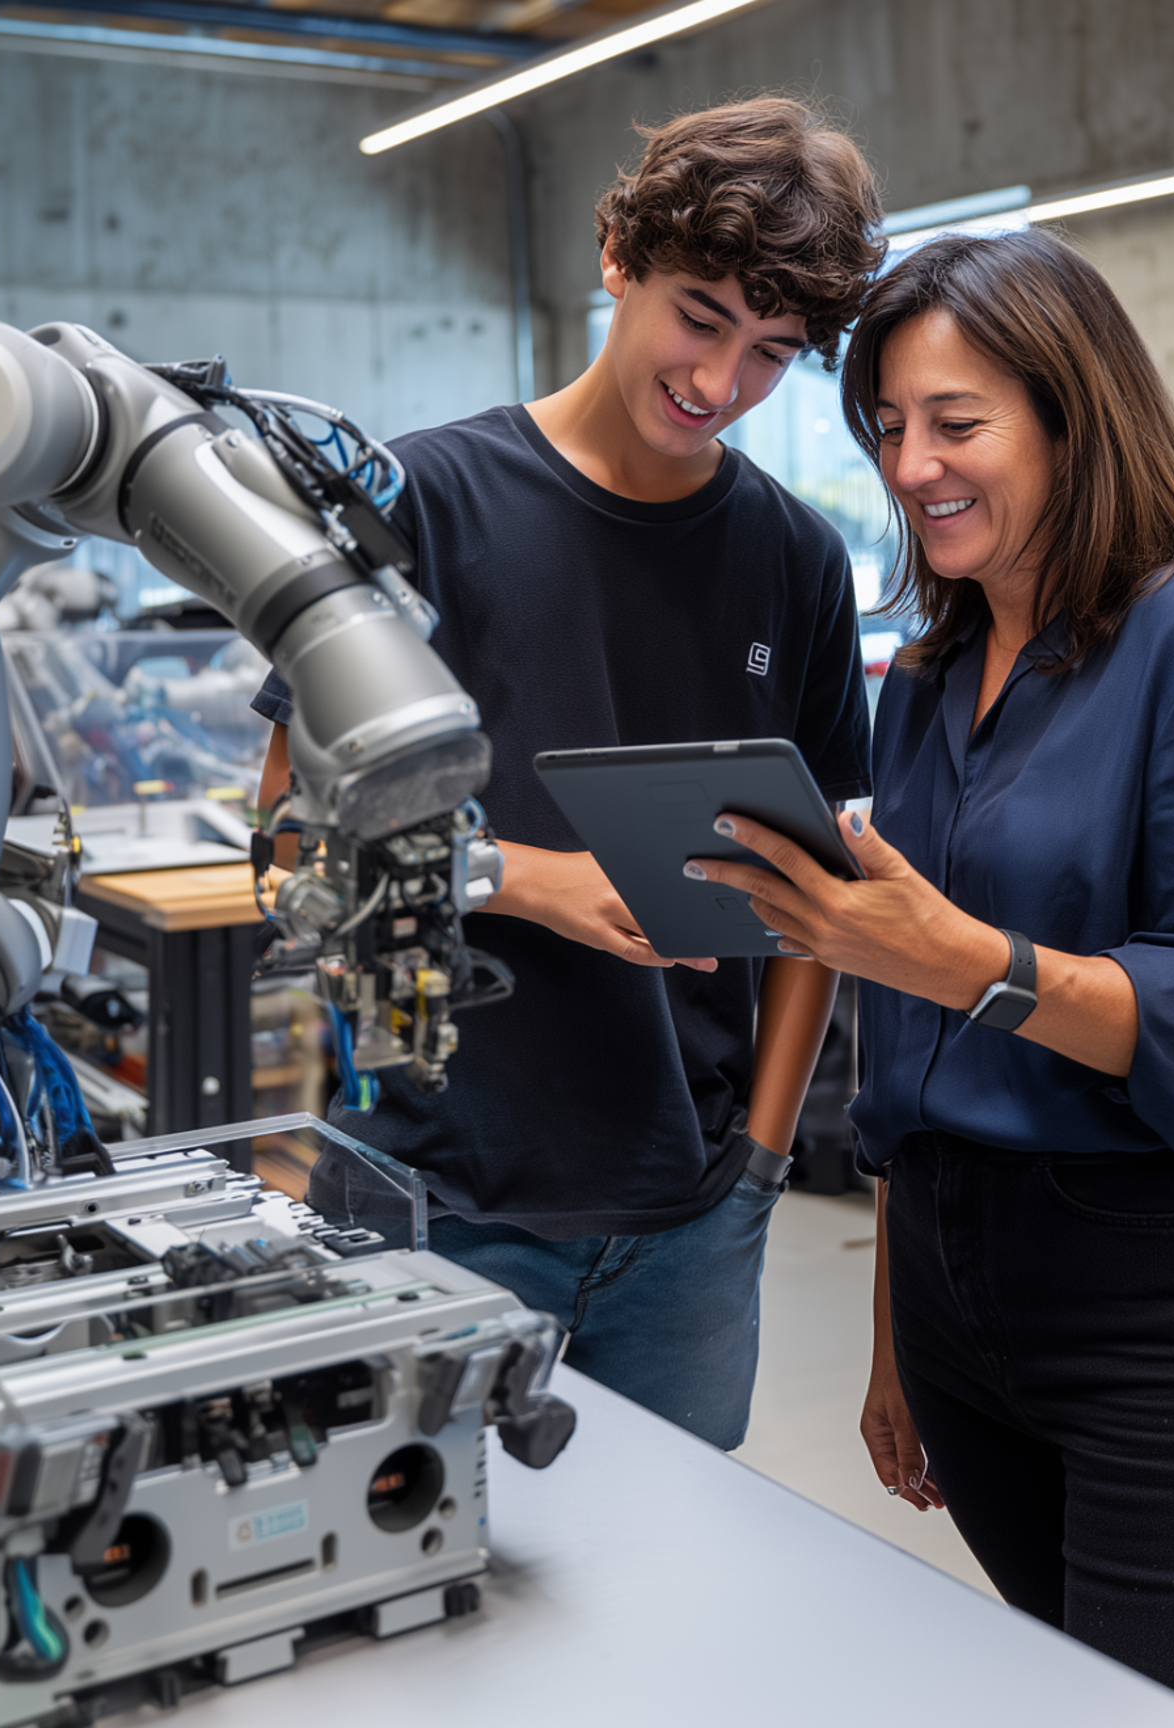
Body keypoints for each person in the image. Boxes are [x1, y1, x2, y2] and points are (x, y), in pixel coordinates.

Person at [688, 230, 1174, 1728]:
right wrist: (901, 1337)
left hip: (1156, 1312)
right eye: (889, 429)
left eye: (957, 424)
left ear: (1070, 416)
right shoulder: (922, 679)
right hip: (954, 1306)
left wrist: (971, 961)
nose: (914, 466)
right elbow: (906, 1064)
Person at [251, 98, 885, 1451]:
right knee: (419, 1621)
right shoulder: (420, 505)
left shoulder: (796, 561)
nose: (720, 383)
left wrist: (761, 1163)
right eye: (700, 316)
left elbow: (822, 893)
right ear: (618, 255)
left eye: (771, 353)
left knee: (660, 1627)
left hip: (690, 1225)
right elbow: (287, 849)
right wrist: (529, 880)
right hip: (433, 1195)